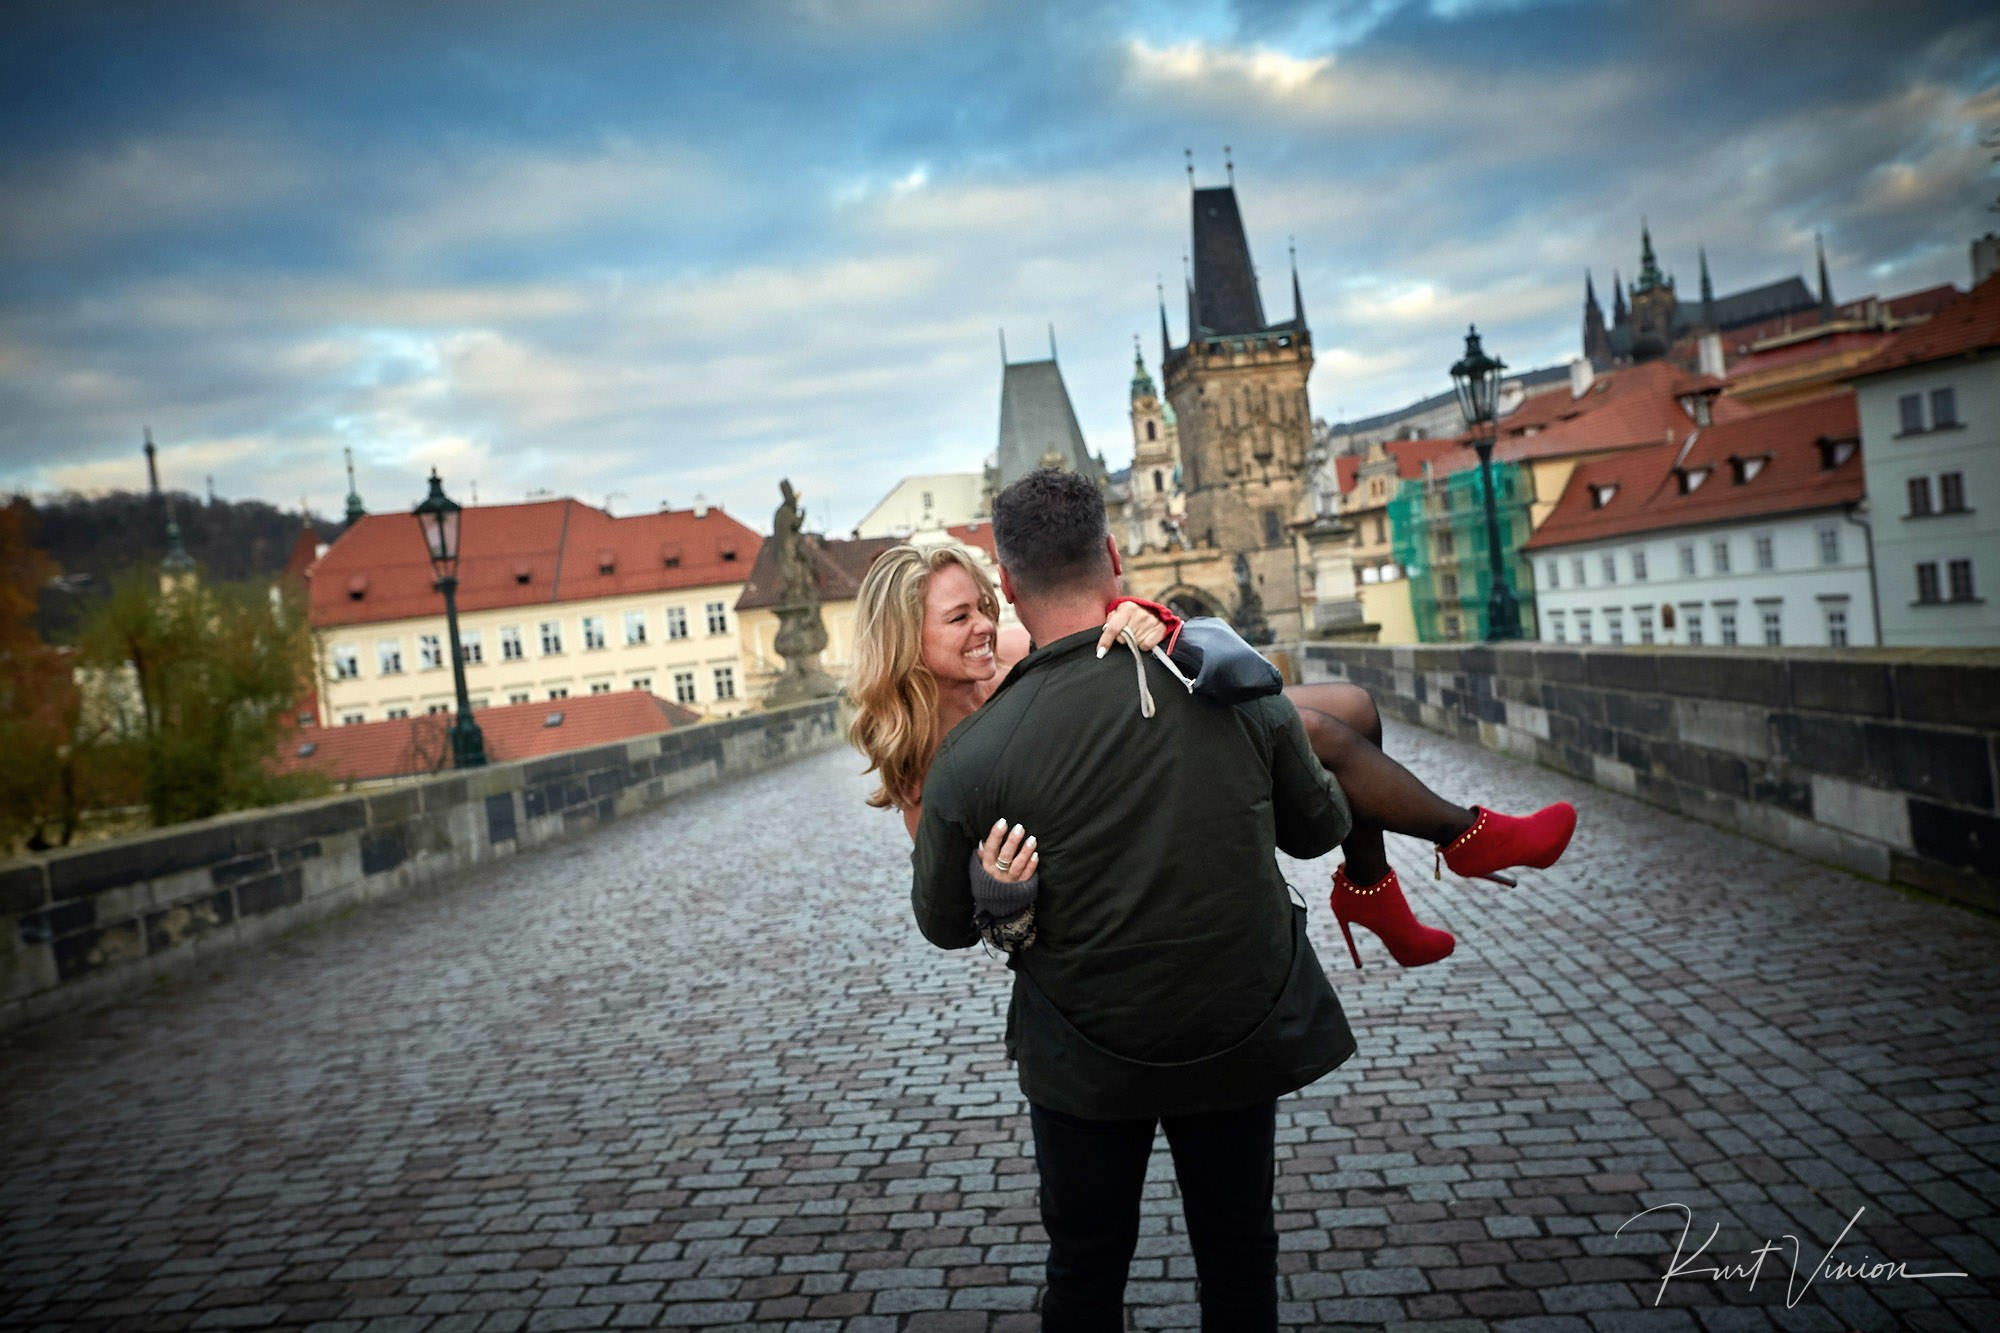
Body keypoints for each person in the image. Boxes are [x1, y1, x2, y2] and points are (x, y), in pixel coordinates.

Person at [907, 467, 1355, 1328]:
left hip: (1082, 1055)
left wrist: (997, 890)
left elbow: (942, 926)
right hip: (1236, 1029)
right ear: (1114, 555)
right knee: (1237, 1260)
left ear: (1007, 586)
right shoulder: (1230, 681)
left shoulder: (976, 753)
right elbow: (1316, 828)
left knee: (1084, 1271)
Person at [848, 544, 1575, 969]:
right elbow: (966, 906)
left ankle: (1374, 882)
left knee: (1352, 706)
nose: (986, 626)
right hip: (1108, 832)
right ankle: (1453, 841)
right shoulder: (921, 768)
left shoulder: (1006, 651)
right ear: (906, 640)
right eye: (960, 616)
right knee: (1312, 724)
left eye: (985, 605)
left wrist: (1139, 617)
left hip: (1126, 741)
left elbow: (1085, 650)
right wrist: (998, 884)